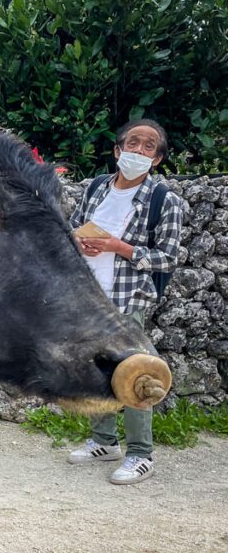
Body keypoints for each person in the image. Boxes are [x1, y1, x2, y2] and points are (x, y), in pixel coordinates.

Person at [67, 118, 184, 484]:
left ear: (158, 159)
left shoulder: (164, 200)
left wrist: (119, 248)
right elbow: (73, 225)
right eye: (132, 143)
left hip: (128, 297)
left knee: (135, 371)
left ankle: (140, 453)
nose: (139, 151)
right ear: (118, 151)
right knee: (96, 369)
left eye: (149, 147)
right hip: (90, 295)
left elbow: (169, 256)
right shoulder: (97, 189)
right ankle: (104, 440)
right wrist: (77, 240)